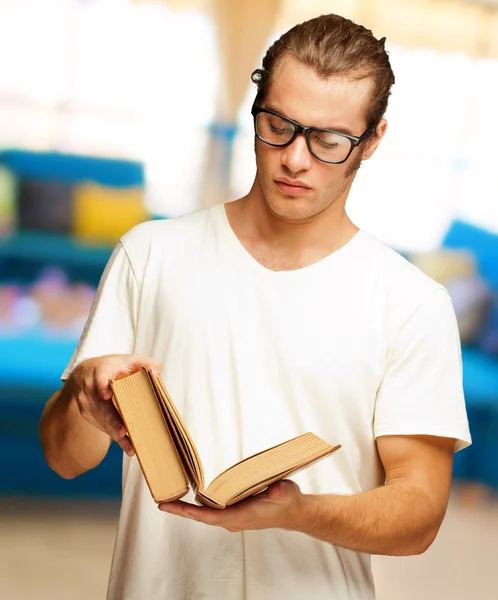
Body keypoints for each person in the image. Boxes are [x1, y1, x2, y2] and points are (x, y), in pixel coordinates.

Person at [39, 13, 471, 600]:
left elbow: (418, 516)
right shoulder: (150, 254)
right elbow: (65, 460)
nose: (295, 159)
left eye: (328, 139)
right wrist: (83, 397)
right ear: (256, 108)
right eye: (278, 125)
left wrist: (296, 512)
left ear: (372, 141)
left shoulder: (412, 304)